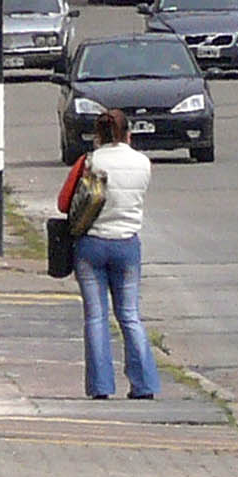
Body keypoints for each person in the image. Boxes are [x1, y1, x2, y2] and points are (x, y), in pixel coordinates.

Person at [57, 109, 160, 400]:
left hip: (91, 245)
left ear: (98, 136)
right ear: (129, 134)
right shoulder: (143, 164)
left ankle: (100, 387)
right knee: (129, 315)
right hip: (127, 244)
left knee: (96, 316)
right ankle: (144, 385)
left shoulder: (89, 162)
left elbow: (64, 203)